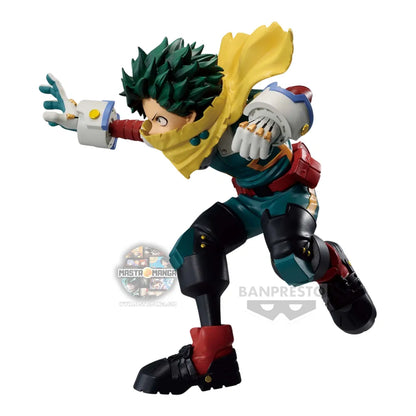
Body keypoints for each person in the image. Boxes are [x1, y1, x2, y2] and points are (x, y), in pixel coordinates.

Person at [40, 22, 376, 395]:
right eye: (152, 117)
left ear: (190, 113)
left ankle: (333, 265)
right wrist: (80, 120)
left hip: (289, 196)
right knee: (193, 250)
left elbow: (298, 96)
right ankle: (212, 356)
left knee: (291, 262)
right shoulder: (180, 131)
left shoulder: (237, 107)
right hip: (248, 202)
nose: (154, 128)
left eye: (160, 119)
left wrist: (270, 118)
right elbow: (135, 130)